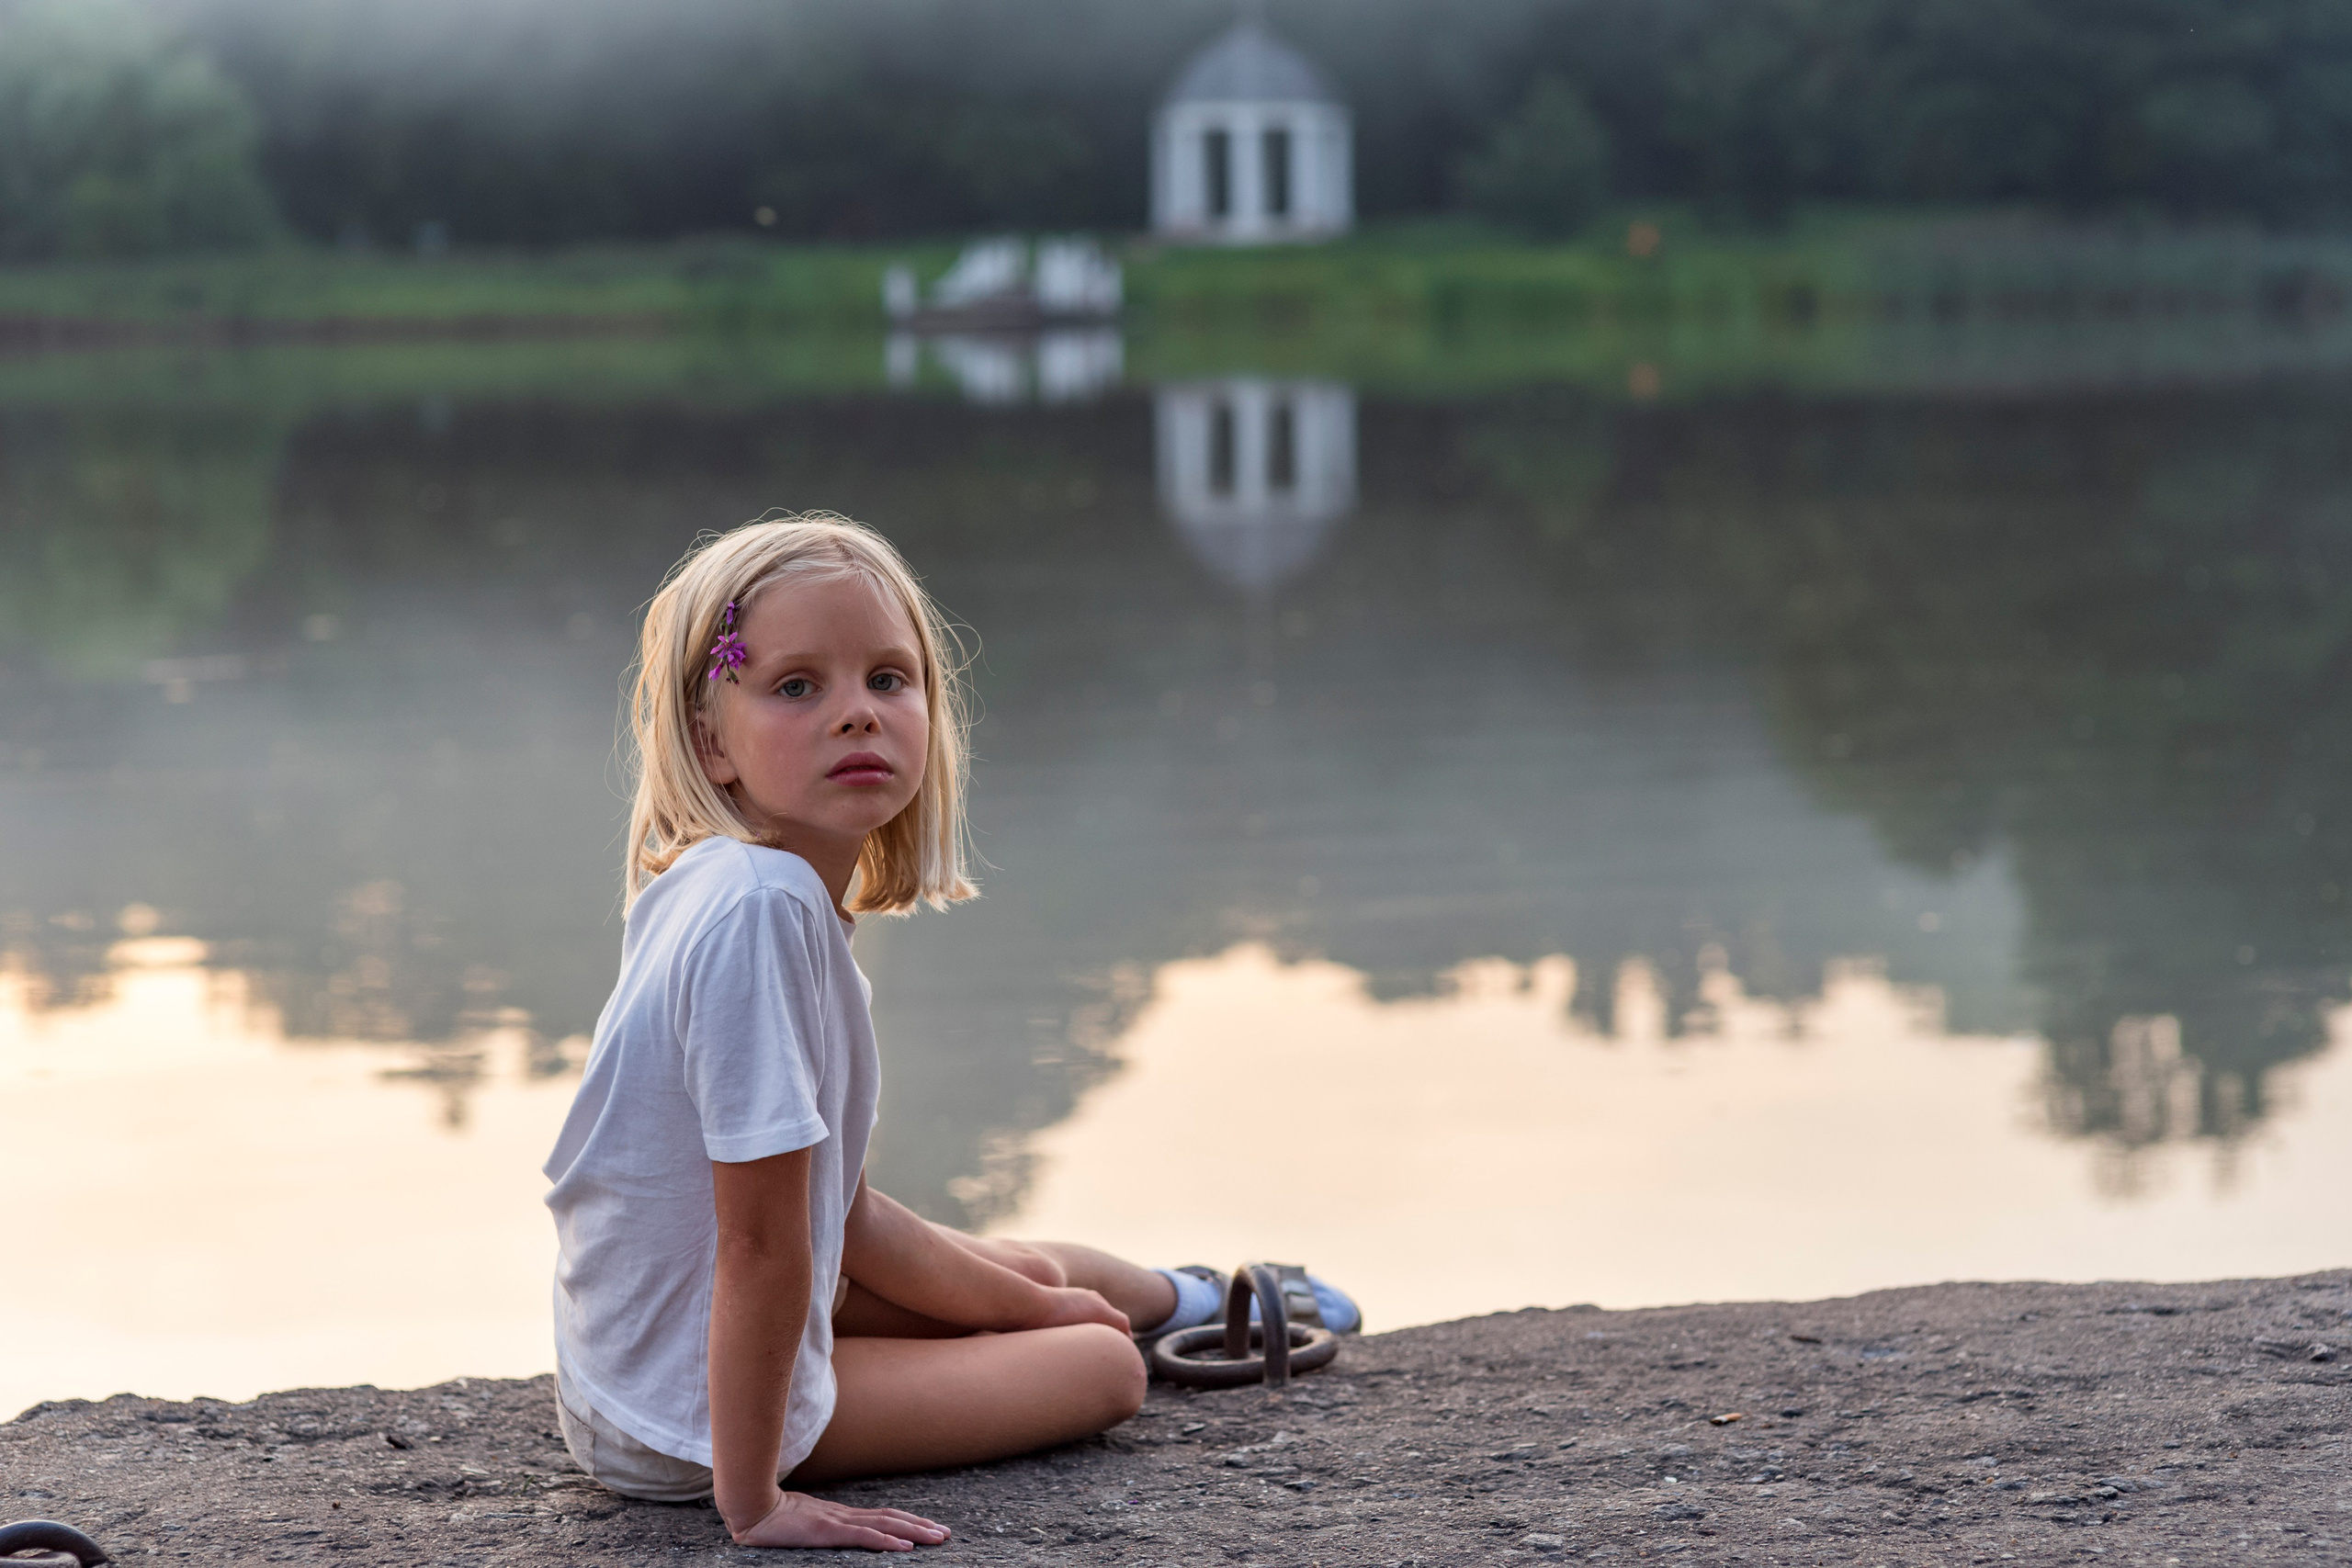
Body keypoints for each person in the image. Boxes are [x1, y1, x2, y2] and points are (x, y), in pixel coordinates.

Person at [542, 514, 1352, 1552]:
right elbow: (756, 1242)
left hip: (689, 1351)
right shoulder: (759, 914)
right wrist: (754, 1500)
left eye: (888, 679)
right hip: (683, 1417)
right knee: (1102, 1369)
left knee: (1042, 1286)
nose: (856, 716)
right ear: (711, 742)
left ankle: (1193, 1295)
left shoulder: (749, 891)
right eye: (797, 686)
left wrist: (1025, 1306)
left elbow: (847, 1214)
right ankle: (1158, 1320)